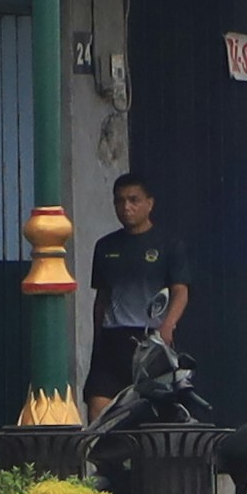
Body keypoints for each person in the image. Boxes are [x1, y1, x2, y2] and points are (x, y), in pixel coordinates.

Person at [85, 171, 191, 404]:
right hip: (113, 336)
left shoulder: (169, 244)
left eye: (134, 200)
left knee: (152, 405)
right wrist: (98, 338)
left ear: (149, 204)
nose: (126, 207)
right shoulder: (104, 246)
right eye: (120, 201)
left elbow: (180, 291)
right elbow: (102, 296)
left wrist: (167, 326)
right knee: (98, 403)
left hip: (150, 338)